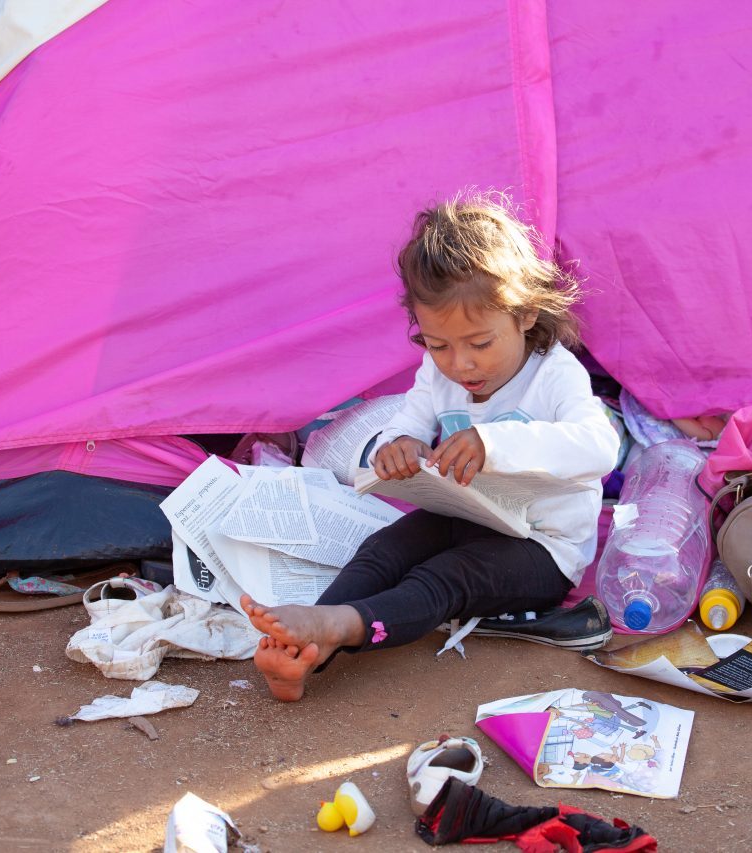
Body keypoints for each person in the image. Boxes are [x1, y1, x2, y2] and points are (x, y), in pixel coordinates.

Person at [242, 191, 621, 701]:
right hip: (470, 513)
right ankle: (306, 648)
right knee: (384, 550)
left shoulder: (553, 372)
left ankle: (340, 628)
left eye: (480, 344)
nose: (460, 364)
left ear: (526, 315)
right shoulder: (437, 369)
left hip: (542, 548)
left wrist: (494, 442)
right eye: (438, 344)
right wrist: (398, 444)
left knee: (444, 577)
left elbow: (600, 446)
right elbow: (412, 420)